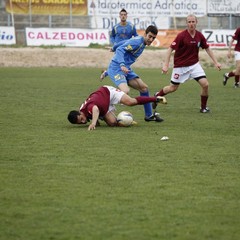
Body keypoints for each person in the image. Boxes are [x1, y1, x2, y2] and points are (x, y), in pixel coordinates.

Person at [154, 14, 221, 113]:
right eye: (189, 22)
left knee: (205, 84)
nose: (191, 24)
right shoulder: (181, 36)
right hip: (180, 67)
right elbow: (169, 50)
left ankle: (203, 108)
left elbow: (207, 48)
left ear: (196, 22)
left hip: (194, 65)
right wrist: (166, 65)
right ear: (186, 23)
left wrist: (216, 62)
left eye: (193, 21)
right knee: (172, 88)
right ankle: (157, 95)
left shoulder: (199, 36)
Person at [104, 25, 163, 122]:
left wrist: (114, 47)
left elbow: (124, 42)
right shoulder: (137, 42)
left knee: (144, 88)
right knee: (125, 91)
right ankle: (104, 109)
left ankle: (149, 115)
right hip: (117, 67)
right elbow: (121, 49)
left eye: (153, 38)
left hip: (126, 68)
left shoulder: (141, 41)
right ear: (145, 34)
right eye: (149, 36)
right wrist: (122, 63)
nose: (151, 39)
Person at [67, 85, 167, 131]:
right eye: (80, 123)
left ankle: (155, 99)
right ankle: (129, 120)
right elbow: (92, 113)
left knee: (130, 102)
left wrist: (93, 122)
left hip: (108, 93)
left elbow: (95, 109)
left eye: (81, 119)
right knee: (112, 123)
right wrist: (96, 121)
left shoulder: (88, 108)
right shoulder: (82, 112)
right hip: (104, 105)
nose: (83, 122)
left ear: (79, 113)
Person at [100, 8, 138, 80]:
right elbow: (112, 36)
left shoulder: (131, 26)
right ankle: (122, 78)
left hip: (128, 48)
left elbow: (136, 35)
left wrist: (135, 44)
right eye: (121, 15)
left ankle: (107, 73)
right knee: (120, 63)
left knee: (123, 64)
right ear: (119, 16)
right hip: (119, 49)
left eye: (124, 14)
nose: (123, 16)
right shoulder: (116, 27)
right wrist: (114, 43)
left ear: (126, 16)